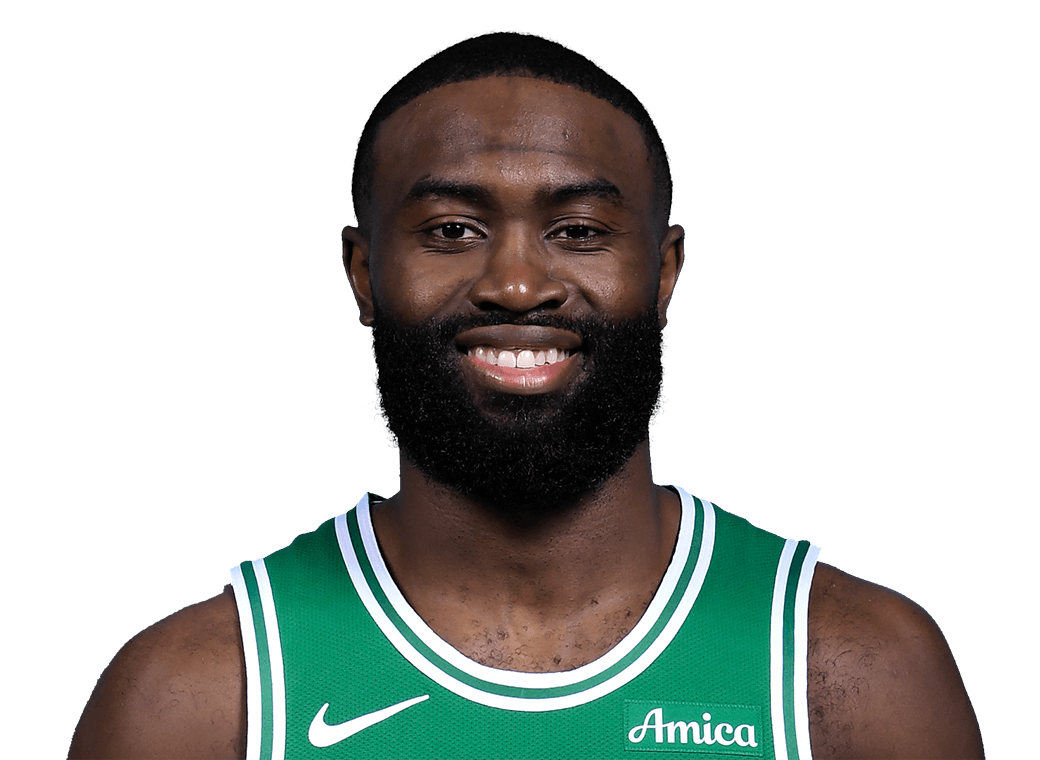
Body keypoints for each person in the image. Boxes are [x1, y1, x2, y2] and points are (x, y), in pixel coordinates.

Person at [68, 31, 983, 760]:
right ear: (363, 273)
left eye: (578, 230)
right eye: (452, 229)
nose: (516, 285)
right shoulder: (197, 698)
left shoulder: (851, 669)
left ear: (664, 273)